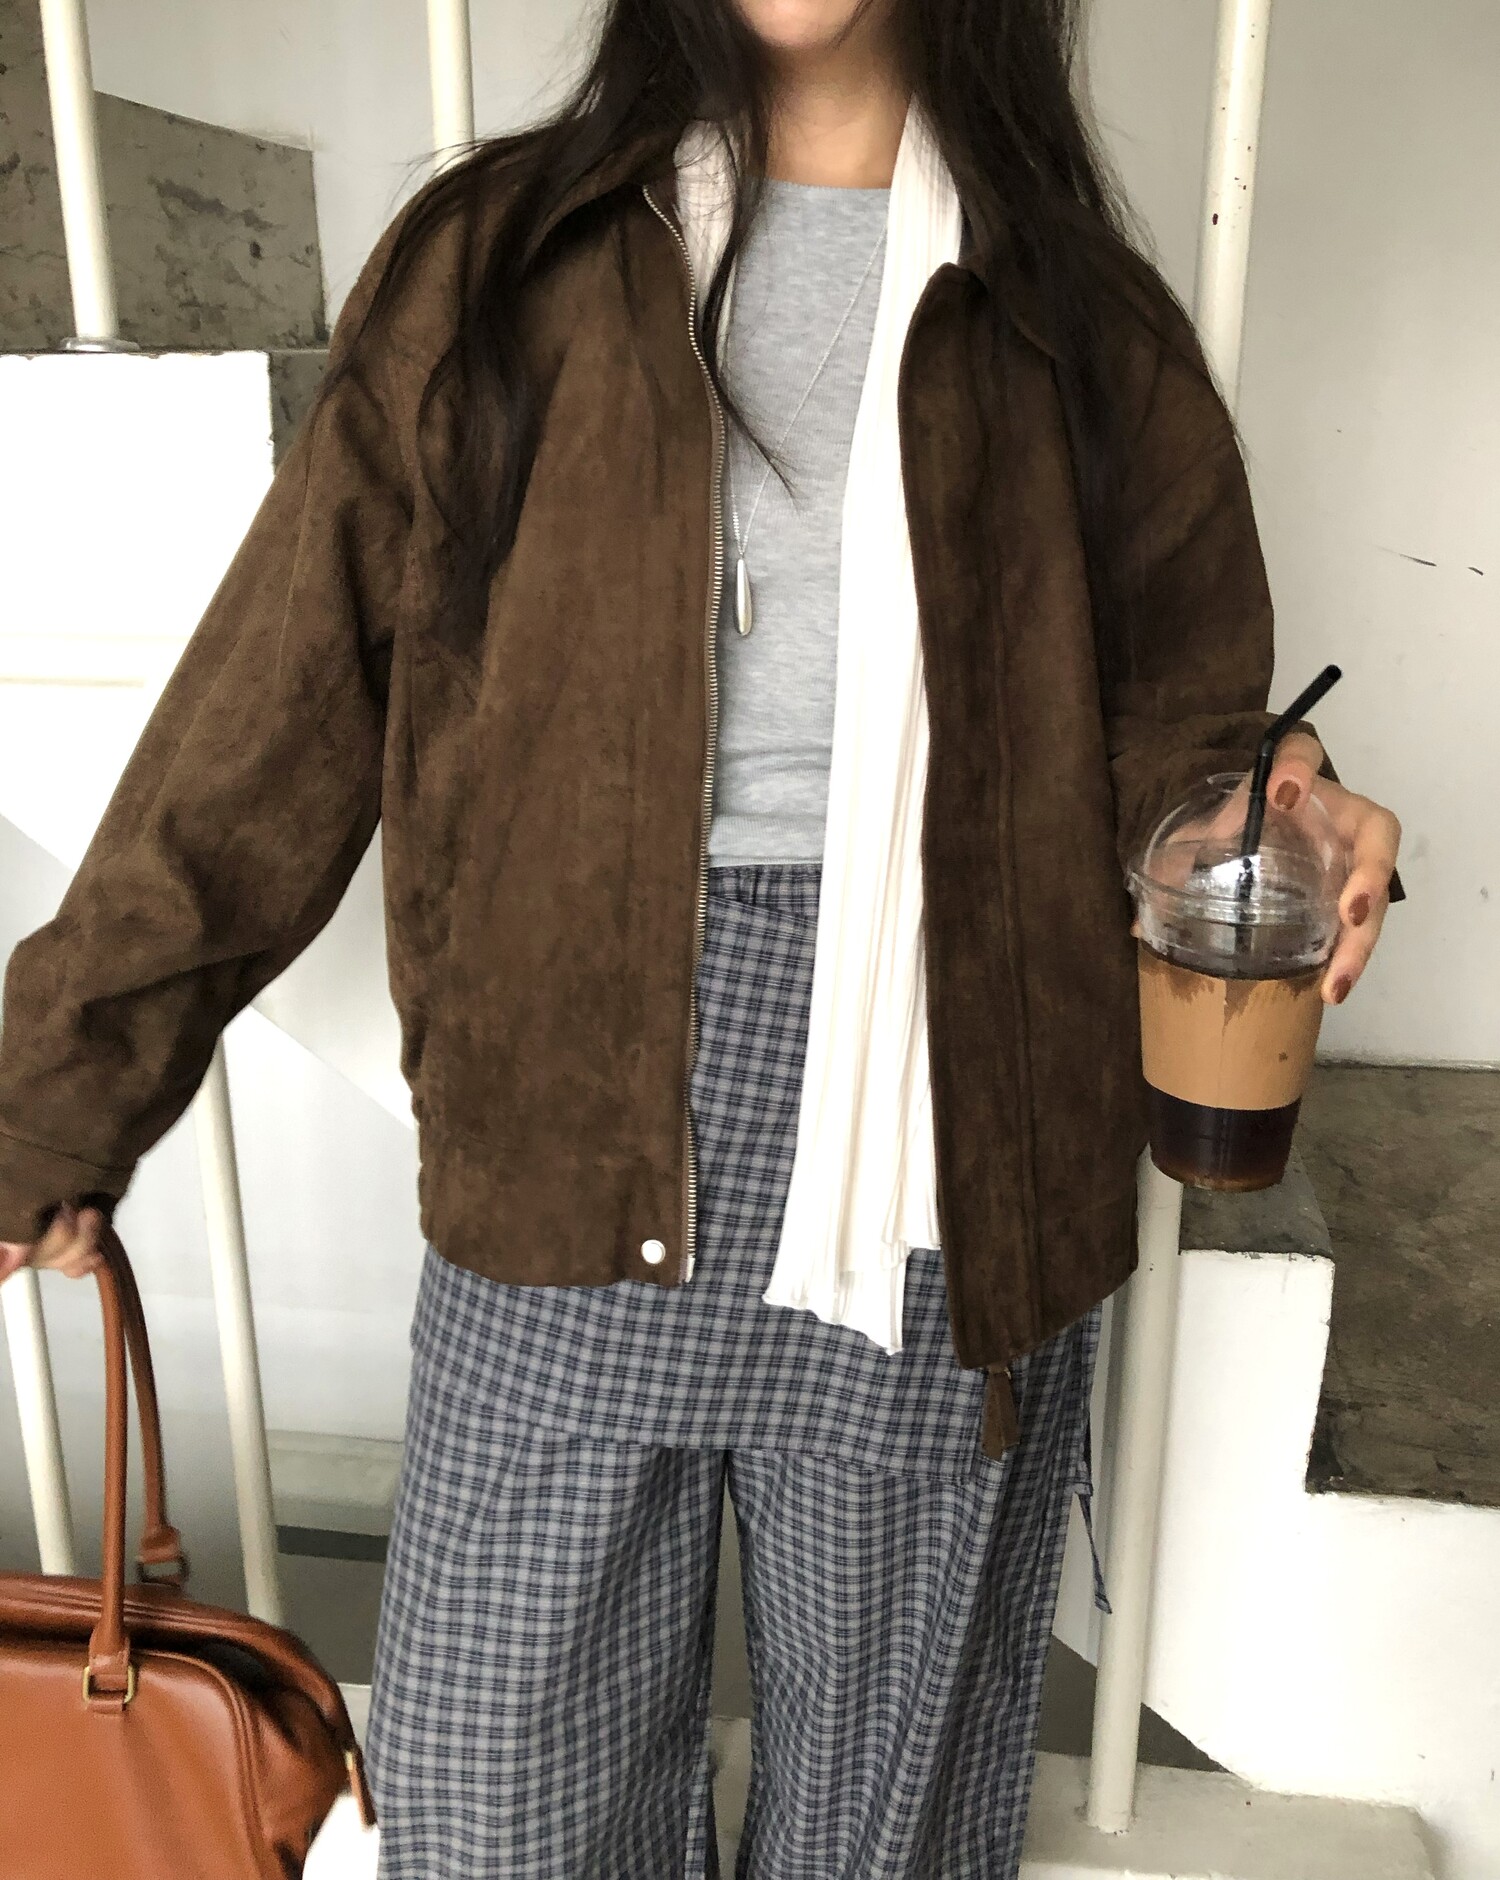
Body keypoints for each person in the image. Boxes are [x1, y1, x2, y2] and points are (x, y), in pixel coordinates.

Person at [0, 0, 1402, 1874]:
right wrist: (56, 1094)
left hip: (939, 1146)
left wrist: (1273, 806)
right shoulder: (499, 265)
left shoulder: (1082, 322)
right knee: (503, 1819)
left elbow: (1170, 749)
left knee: (875, 1840)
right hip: (563, 1125)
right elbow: (276, 714)